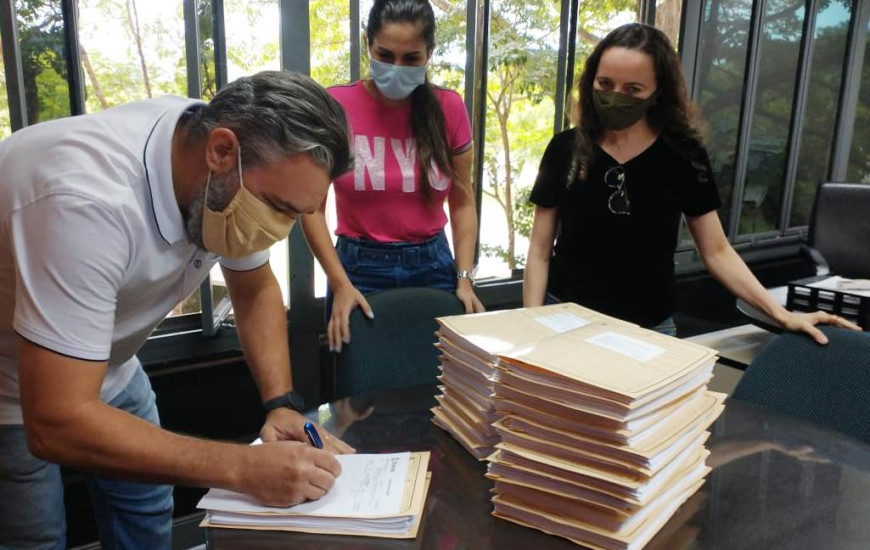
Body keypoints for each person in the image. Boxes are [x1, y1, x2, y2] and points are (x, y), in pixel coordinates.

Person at [0, 71, 356, 549]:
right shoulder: (85, 201)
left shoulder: (219, 158)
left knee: (146, 506)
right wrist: (240, 467)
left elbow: (253, 290)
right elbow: (56, 421)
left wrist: (280, 404)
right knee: (36, 537)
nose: (281, 229)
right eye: (278, 207)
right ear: (221, 152)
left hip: (113, 364)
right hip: (11, 385)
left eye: (297, 213)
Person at [523, 23, 859, 343]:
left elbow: (715, 250)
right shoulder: (565, 149)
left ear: (657, 93)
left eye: (633, 90)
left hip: (647, 329)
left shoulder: (682, 155)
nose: (615, 97)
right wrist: (530, 323)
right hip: (564, 319)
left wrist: (781, 314)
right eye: (605, 84)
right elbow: (539, 251)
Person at [300, 0, 484, 354]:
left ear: (429, 53)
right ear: (368, 44)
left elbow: (462, 202)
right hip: (359, 269)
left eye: (411, 58)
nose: (396, 68)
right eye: (385, 54)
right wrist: (339, 284)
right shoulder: (336, 106)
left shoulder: (449, 107)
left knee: (436, 383)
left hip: (435, 266)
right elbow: (310, 210)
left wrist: (464, 279)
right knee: (364, 392)